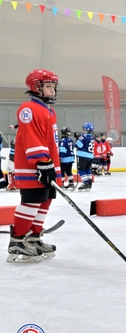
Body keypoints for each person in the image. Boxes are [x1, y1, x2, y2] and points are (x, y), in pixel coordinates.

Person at [7, 69, 61, 263]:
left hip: (48, 165)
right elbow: (32, 137)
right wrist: (42, 161)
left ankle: (34, 237)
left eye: (53, 86)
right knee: (32, 201)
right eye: (48, 86)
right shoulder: (28, 109)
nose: (52, 90)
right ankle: (17, 240)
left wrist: (52, 165)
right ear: (36, 88)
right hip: (34, 166)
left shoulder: (48, 110)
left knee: (45, 200)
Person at [75, 123, 95, 191]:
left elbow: (78, 145)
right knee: (87, 169)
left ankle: (85, 182)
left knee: (81, 170)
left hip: (83, 156)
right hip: (90, 156)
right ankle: (89, 183)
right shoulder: (92, 137)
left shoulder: (83, 136)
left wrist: (77, 138)